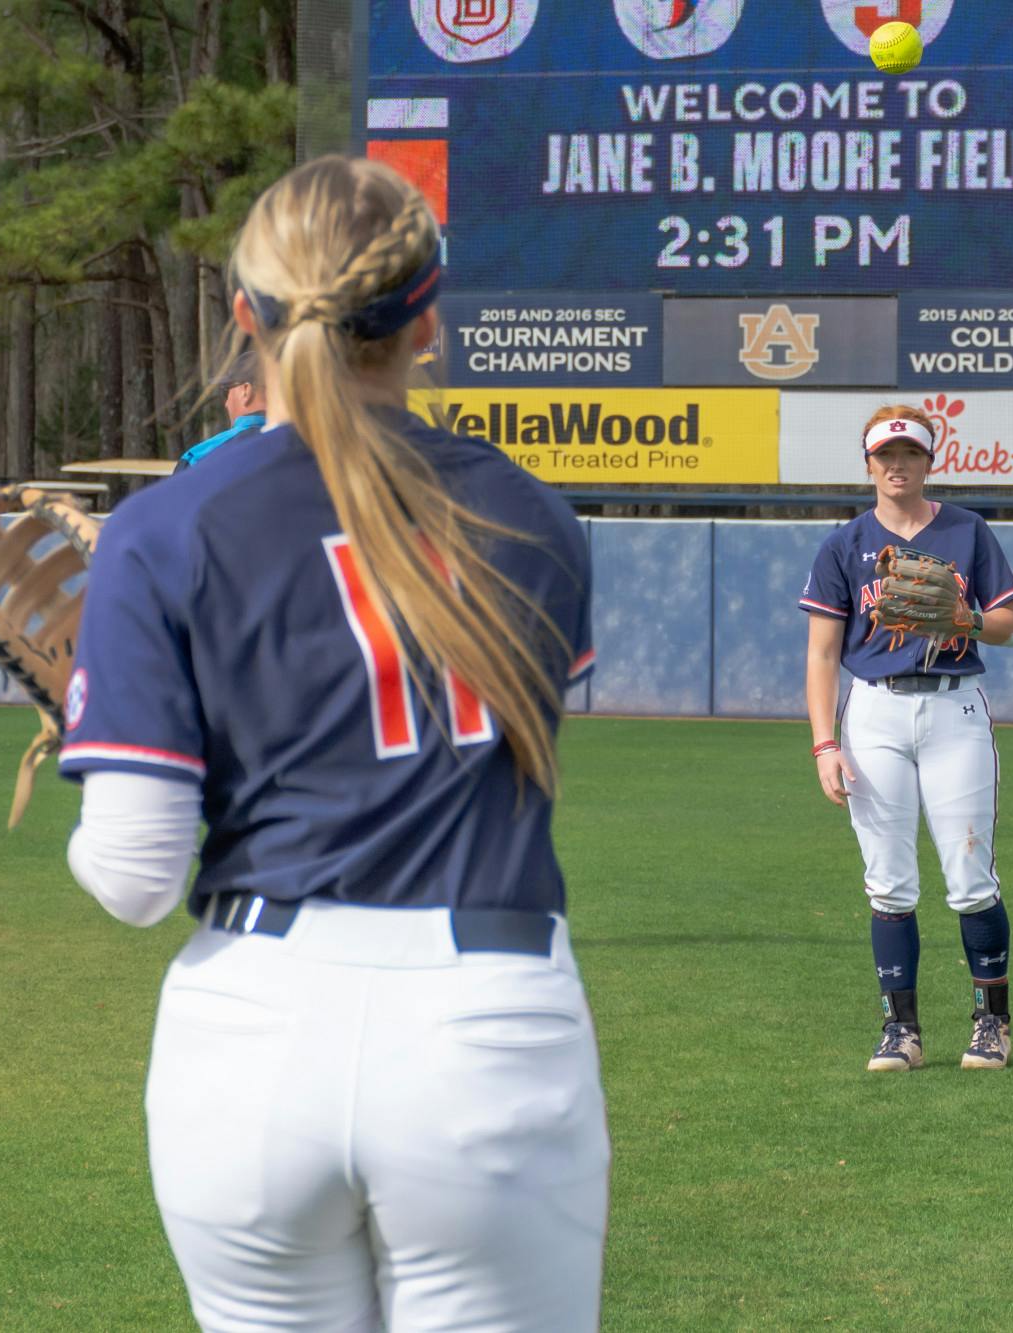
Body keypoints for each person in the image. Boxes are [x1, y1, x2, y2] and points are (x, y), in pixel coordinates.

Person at [58, 156, 606, 1330]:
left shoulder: (165, 527)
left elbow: (133, 880)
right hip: (489, 1028)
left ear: (243, 316)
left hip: (253, 1034)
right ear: (429, 316)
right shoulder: (533, 515)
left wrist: (91, 723)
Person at [798, 405, 1013, 1073]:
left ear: (930, 461)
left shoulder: (967, 531)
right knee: (889, 884)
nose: (898, 464)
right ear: (868, 464)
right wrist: (823, 743)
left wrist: (968, 616)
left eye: (911, 453)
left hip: (955, 711)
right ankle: (901, 1029)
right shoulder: (844, 545)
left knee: (969, 877)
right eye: (885, 454)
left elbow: (1010, 624)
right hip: (872, 714)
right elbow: (821, 654)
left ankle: (992, 1020)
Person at [173, 345, 267, 472]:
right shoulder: (301, 447)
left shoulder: (199, 457)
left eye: (226, 391)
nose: (226, 403)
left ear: (245, 391)